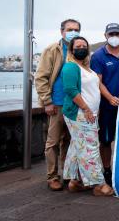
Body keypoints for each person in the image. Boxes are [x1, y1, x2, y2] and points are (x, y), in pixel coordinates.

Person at [62, 36, 114, 196]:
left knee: (77, 146)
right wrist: (86, 109)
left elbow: (96, 85)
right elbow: (71, 90)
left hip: (89, 114)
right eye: (78, 46)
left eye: (84, 45)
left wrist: (110, 98)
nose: (81, 48)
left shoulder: (87, 68)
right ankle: (98, 184)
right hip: (79, 114)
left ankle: (75, 181)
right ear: (71, 50)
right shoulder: (70, 67)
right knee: (90, 148)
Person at [35, 18, 81, 191]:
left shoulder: (80, 49)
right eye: (70, 29)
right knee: (53, 142)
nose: (73, 32)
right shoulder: (52, 50)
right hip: (56, 104)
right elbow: (41, 77)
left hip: (74, 105)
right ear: (62, 32)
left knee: (69, 141)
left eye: (76, 29)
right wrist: (47, 101)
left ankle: (68, 174)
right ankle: (52, 176)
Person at [90, 23, 119, 186]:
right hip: (107, 107)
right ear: (105, 36)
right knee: (106, 140)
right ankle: (107, 170)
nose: (114, 37)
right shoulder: (98, 56)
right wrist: (109, 97)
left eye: (116, 33)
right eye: (110, 34)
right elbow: (98, 82)